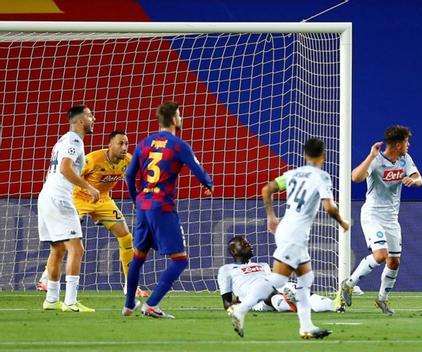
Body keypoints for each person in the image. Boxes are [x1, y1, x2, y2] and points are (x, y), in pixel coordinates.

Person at [228, 138, 349, 339]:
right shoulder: (322, 176)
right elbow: (329, 207)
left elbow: (266, 189)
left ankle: (306, 326)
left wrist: (271, 216)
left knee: (306, 277)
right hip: (295, 234)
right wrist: (343, 223)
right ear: (324, 155)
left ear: (304, 155)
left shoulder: (292, 174)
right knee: (277, 279)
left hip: (286, 228)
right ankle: (242, 309)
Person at [122, 102, 213, 318]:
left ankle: (128, 305)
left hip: (143, 206)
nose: (181, 118)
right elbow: (197, 170)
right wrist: (208, 183)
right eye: (179, 115)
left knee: (138, 257)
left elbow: (128, 175)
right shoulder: (178, 145)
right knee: (180, 259)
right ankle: (151, 304)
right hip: (162, 206)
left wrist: (137, 200)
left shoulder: (143, 143)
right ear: (174, 120)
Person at [37, 131, 148, 297]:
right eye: (120, 143)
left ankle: (130, 286)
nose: (124, 147)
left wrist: (139, 201)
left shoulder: (128, 161)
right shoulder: (93, 159)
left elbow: (137, 180)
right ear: (109, 145)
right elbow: (70, 174)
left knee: (126, 237)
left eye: (126, 143)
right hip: (79, 198)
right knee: (64, 240)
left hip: (102, 201)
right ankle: (46, 279)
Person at [336, 125, 422, 315]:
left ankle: (382, 299)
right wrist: (370, 157)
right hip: (373, 214)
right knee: (381, 255)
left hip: (392, 219)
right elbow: (355, 177)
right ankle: (348, 284)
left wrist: (413, 181)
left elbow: (418, 178)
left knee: (394, 262)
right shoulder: (376, 161)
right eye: (407, 142)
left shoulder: (404, 159)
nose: (409, 145)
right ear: (398, 144)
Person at [39, 105, 98, 312]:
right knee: (77, 249)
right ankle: (71, 301)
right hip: (59, 198)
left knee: (58, 248)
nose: (94, 119)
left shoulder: (62, 139)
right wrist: (88, 187)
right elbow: (65, 168)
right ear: (80, 121)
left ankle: (52, 299)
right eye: (90, 116)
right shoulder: (74, 140)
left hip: (46, 195)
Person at [218, 236, 334, 313]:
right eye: (244, 244)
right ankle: (293, 304)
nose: (249, 245)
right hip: (257, 297)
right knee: (267, 291)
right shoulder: (226, 270)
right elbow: (227, 304)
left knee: (297, 288)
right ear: (233, 251)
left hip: (276, 288)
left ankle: (330, 304)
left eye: (248, 243)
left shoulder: (263, 265)